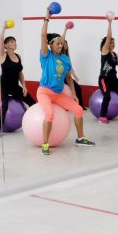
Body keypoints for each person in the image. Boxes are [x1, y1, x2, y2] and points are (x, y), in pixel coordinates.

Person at [38, 9, 95, 155]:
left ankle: (80, 138)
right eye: (57, 43)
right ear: (50, 45)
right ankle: (45, 143)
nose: (60, 45)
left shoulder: (65, 59)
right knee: (49, 114)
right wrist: (47, 18)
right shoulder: (46, 56)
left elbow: (69, 78)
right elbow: (43, 35)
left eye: (61, 44)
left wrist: (74, 94)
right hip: (44, 92)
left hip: (57, 93)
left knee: (78, 109)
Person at [0, 25, 36, 137]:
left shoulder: (18, 56)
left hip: (15, 86)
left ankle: (35, 123)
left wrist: (25, 87)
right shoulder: (3, 55)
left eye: (15, 42)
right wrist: (3, 28)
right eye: (12, 42)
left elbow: (20, 73)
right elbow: (0, 41)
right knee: (5, 106)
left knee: (33, 102)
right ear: (6, 45)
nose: (14, 43)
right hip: (4, 86)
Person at [61, 25, 85, 107]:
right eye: (63, 43)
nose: (65, 45)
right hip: (59, 77)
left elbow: (70, 68)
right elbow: (61, 39)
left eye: (66, 44)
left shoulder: (67, 56)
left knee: (78, 88)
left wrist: (75, 76)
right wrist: (65, 29)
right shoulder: (59, 54)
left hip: (67, 77)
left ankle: (80, 105)